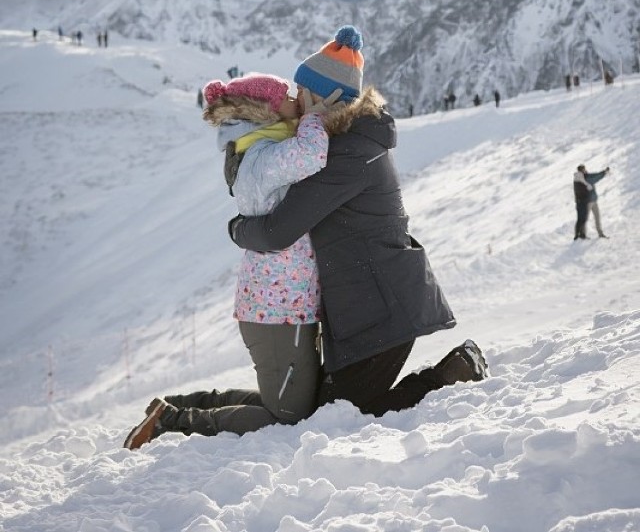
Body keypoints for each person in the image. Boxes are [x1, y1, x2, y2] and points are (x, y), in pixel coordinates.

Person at [230, 26, 488, 419]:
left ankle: (452, 374)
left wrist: (235, 228)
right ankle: (452, 371)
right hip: (370, 306)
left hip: (380, 311)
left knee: (343, 417)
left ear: (325, 97)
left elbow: (276, 231)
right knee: (329, 411)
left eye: (302, 91)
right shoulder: (346, 142)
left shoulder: (347, 155)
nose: (296, 100)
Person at [124, 72, 341, 450]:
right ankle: (170, 423)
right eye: (289, 96)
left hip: (281, 305)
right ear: (266, 111)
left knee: (286, 402)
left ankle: (177, 408)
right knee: (286, 415)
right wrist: (315, 118)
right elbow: (311, 154)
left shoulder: (260, 150)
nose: (297, 99)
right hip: (279, 310)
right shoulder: (261, 158)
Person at [584, 165, 610, 238]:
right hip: (588, 202)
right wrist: (603, 174)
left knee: (597, 218)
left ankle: (600, 233)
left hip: (594, 201)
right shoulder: (585, 180)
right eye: (584, 170)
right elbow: (596, 179)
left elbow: (596, 175)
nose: (586, 171)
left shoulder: (588, 176)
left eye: (585, 170)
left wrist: (603, 172)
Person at [573, 164, 592, 240]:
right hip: (582, 202)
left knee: (579, 219)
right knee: (583, 218)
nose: (585, 170)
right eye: (584, 169)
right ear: (582, 170)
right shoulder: (580, 179)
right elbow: (584, 189)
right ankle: (581, 235)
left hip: (579, 202)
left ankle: (578, 235)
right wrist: (588, 188)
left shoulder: (577, 178)